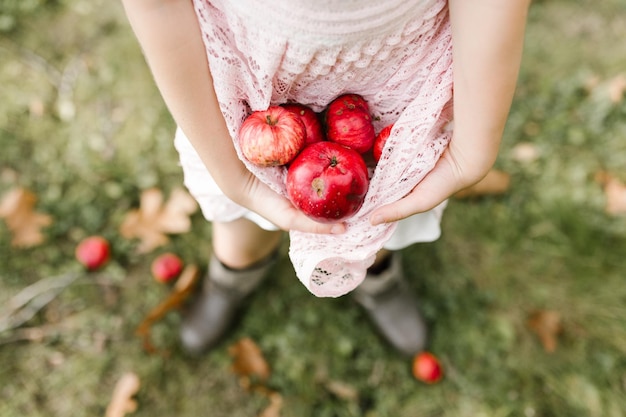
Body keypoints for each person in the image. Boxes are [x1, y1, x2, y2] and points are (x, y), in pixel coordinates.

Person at [120, 0, 530, 357]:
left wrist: (474, 148)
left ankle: (375, 272)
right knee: (244, 221)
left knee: (377, 210)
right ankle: (234, 273)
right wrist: (230, 173)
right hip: (250, 81)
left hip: (395, 82)